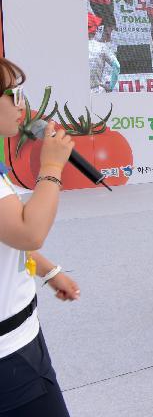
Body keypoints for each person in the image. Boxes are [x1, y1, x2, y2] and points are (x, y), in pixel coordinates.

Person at [0, 57, 79, 416]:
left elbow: (9, 233)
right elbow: (30, 231)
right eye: (13, 94)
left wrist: (45, 270)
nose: (22, 106)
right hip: (11, 358)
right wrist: (51, 166)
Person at [88, 13, 120, 93]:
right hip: (94, 91)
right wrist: (111, 86)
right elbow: (117, 66)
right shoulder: (102, 47)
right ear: (95, 31)